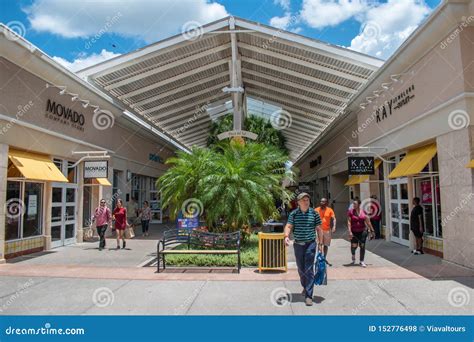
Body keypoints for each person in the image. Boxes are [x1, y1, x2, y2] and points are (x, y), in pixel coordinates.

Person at [284, 192, 323, 306]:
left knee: (309, 269)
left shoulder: (314, 213)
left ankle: (309, 296)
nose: (306, 202)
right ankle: (305, 287)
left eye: (307, 200)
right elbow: (288, 226)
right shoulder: (294, 214)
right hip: (298, 245)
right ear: (298, 202)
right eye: (303, 200)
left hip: (310, 244)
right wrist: (286, 236)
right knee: (301, 269)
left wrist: (320, 244)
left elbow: (319, 229)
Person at [347, 199, 375, 267]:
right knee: (354, 246)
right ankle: (353, 254)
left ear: (359, 205)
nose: (353, 205)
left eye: (355, 204)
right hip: (354, 232)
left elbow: (368, 222)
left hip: (362, 231)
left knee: (362, 246)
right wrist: (350, 231)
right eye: (353, 204)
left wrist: (372, 231)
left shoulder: (364, 212)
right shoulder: (351, 212)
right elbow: (349, 222)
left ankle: (361, 261)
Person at [315, 198, 336, 265]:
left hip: (327, 230)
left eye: (323, 202)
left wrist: (334, 226)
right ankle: (320, 257)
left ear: (326, 203)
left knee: (326, 245)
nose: (322, 203)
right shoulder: (316, 210)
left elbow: (334, 219)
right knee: (319, 243)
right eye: (321, 201)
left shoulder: (330, 210)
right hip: (319, 230)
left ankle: (324, 257)